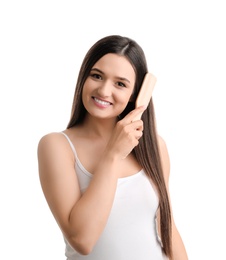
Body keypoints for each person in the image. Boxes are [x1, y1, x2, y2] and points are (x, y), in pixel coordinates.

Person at [37, 35, 188, 260]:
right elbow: (82, 240)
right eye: (97, 76)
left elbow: (168, 229)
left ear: (135, 94)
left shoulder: (155, 146)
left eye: (120, 83)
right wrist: (113, 154)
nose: (104, 91)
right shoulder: (56, 146)